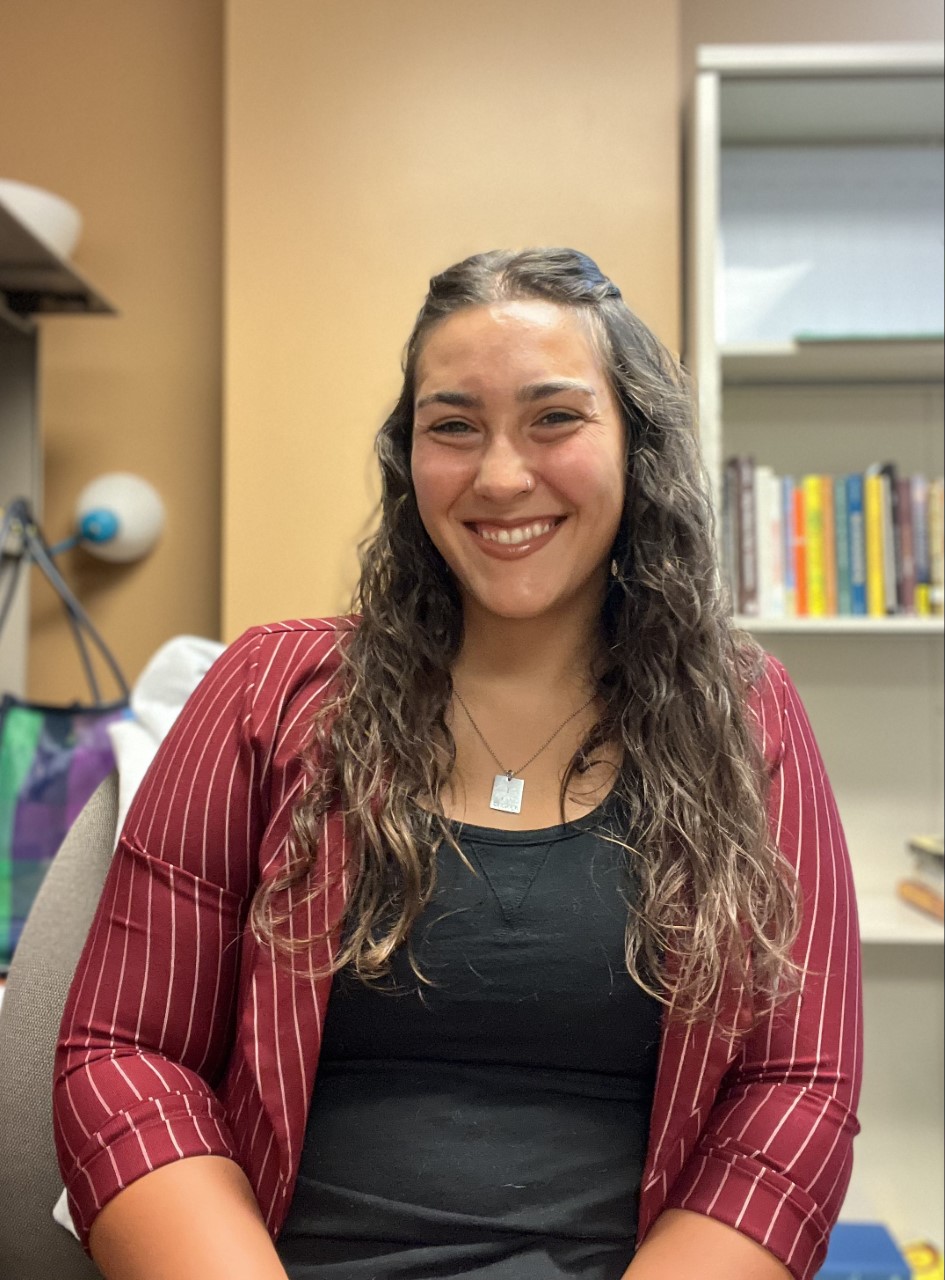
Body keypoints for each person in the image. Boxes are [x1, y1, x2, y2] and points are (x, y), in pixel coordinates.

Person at [53, 248, 862, 1280]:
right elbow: (128, 1053)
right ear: (409, 458)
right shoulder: (266, 691)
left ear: (637, 443)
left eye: (555, 418)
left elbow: (795, 1092)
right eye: (453, 426)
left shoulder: (746, 718)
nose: (500, 475)